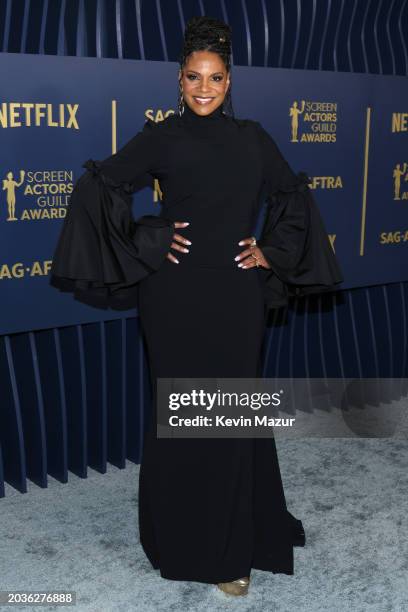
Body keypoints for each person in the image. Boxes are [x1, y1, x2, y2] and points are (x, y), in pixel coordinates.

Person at [49, 16, 343, 597]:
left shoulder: (254, 139)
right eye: (192, 77)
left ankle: (242, 534)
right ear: (178, 81)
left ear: (229, 82)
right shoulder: (162, 136)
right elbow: (98, 187)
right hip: (175, 297)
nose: (203, 88)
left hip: (236, 297)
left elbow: (292, 196)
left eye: (214, 78)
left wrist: (271, 251)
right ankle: (194, 544)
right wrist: (150, 239)